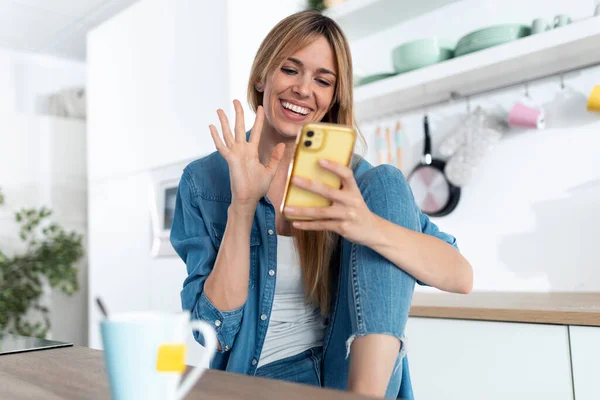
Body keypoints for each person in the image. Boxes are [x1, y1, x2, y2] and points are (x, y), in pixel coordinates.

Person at [170, 10, 472, 400]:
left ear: (333, 99)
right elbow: (211, 330)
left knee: (388, 181)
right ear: (262, 76)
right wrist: (242, 206)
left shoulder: (357, 183)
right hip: (256, 377)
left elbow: (461, 277)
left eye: (322, 80)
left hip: (345, 375)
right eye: (290, 70)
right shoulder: (205, 181)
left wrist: (366, 225)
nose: (303, 89)